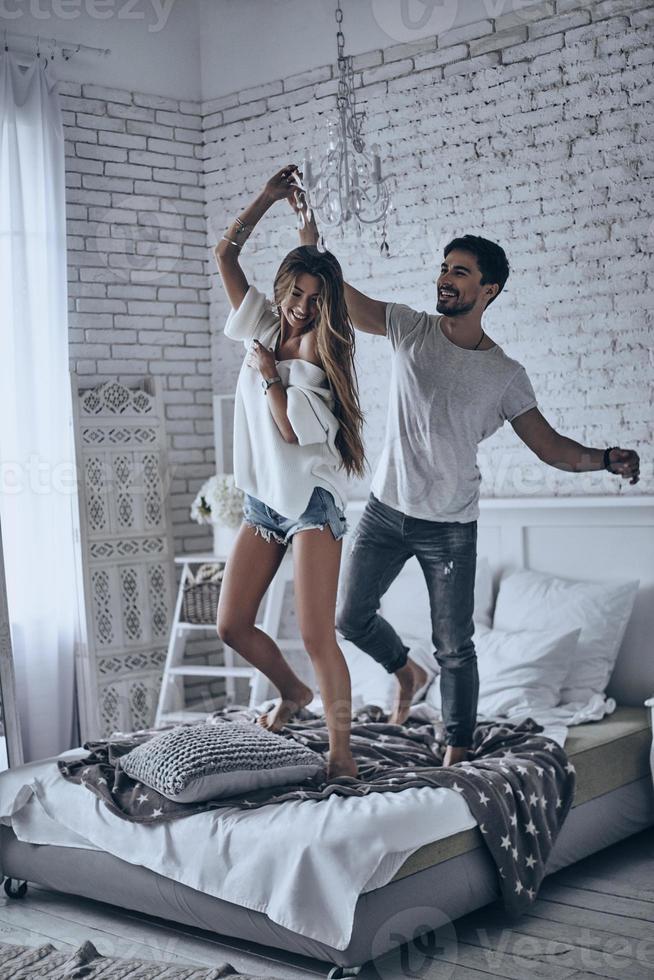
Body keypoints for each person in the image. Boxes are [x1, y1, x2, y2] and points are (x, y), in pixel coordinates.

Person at [289, 171, 641, 768]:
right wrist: (311, 238)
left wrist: (605, 459)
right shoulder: (408, 327)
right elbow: (341, 293)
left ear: (490, 289)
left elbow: (552, 449)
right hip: (384, 511)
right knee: (349, 618)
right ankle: (406, 671)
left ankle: (457, 749)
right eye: (444, 268)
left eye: (460, 272)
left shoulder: (504, 374)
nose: (445, 279)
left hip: (450, 525)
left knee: (457, 646)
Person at [213, 166, 366, 780]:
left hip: (311, 504)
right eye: (294, 294)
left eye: (313, 299)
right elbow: (225, 253)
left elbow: (285, 427)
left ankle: (341, 750)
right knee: (231, 625)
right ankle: (293, 694)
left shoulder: (320, 355)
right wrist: (270, 200)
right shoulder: (269, 324)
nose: (300, 308)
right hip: (265, 501)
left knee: (315, 633)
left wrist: (269, 373)